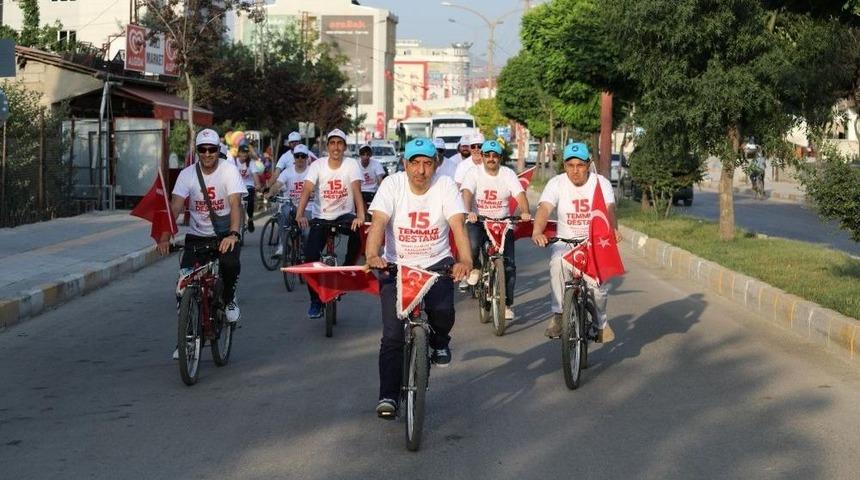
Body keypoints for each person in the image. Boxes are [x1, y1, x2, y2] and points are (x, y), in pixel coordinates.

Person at [364, 137, 472, 417]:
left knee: (443, 312)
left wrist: (466, 260)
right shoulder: (392, 185)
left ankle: (439, 342)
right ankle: (388, 396)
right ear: (405, 164)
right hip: (396, 267)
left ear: (436, 165)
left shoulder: (445, 185)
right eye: (415, 163)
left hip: (436, 264)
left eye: (427, 163)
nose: (421, 170)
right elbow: (378, 222)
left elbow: (458, 226)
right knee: (392, 335)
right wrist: (373, 254)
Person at [158, 129, 245, 358]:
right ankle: (186, 339)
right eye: (203, 149)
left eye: (212, 149)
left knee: (229, 265)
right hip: (196, 237)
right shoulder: (187, 175)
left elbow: (235, 204)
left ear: (219, 150)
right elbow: (175, 207)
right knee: (182, 287)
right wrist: (165, 236)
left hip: (224, 234)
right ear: (197, 151)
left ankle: (228, 299)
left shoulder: (229, 171)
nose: (207, 154)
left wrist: (234, 234)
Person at [531, 142, 620, 342]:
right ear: (564, 166)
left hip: (594, 244)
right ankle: (558, 314)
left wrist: (613, 229)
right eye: (570, 165)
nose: (575, 171)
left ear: (588, 164)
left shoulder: (601, 183)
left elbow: (609, 208)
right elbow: (544, 209)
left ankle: (601, 324)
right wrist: (537, 231)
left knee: (598, 289)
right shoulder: (556, 183)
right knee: (556, 264)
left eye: (580, 165)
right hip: (566, 243)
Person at [296, 129, 366, 318]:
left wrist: (360, 215)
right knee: (310, 257)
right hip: (321, 217)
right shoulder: (317, 165)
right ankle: (315, 301)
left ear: (344, 147)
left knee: (359, 237)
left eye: (339, 143)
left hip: (344, 215)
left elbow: (356, 191)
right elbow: (307, 190)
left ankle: (344, 272)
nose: (336, 147)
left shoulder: (351, 164)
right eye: (332, 143)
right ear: (327, 147)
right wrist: (300, 214)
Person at [460, 139, 531, 321]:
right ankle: (475, 267)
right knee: (474, 245)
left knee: (508, 265)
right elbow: (466, 193)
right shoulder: (473, 173)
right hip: (479, 220)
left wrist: (524, 211)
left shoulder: (507, 174)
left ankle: (506, 304)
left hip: (503, 222)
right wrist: (468, 211)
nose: (491, 158)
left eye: (495, 155)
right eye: (487, 155)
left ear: (500, 158)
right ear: (482, 157)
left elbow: (520, 194)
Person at [266, 144, 315, 255]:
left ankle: (305, 251)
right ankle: (284, 245)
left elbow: (320, 186)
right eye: (297, 156)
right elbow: (277, 184)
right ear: (294, 157)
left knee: (307, 233)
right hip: (291, 205)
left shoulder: (312, 171)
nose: (300, 159)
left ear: (307, 157)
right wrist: (271, 192)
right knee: (283, 213)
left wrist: (314, 192)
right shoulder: (288, 171)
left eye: (303, 156)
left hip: (308, 207)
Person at [232, 141, 263, 232]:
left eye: (246, 153)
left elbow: (255, 175)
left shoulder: (251, 163)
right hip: (237, 185)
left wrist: (258, 185)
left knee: (250, 201)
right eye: (243, 152)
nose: (244, 155)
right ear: (239, 153)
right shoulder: (234, 162)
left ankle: (250, 219)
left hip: (248, 185)